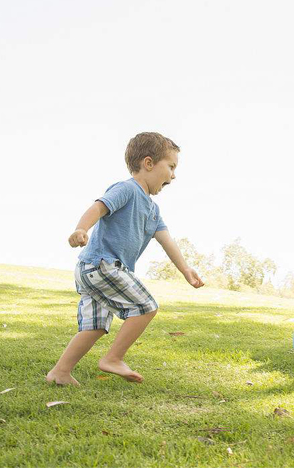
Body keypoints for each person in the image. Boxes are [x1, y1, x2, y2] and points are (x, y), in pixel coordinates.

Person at [46, 132, 204, 385]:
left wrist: (185, 269)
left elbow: (166, 240)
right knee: (146, 307)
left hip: (92, 269)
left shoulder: (153, 210)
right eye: (171, 167)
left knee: (95, 327)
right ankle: (113, 358)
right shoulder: (127, 189)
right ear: (148, 163)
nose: (173, 176)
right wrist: (81, 229)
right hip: (103, 264)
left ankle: (59, 373)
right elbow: (98, 207)